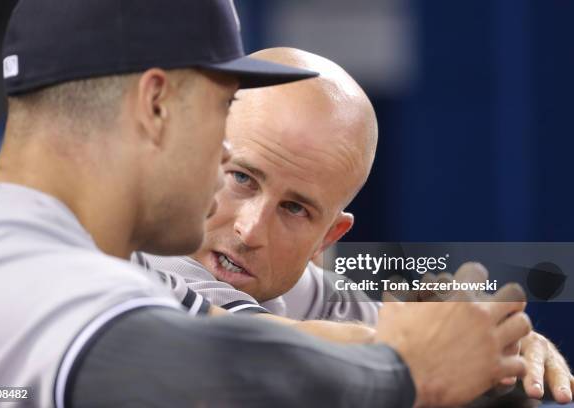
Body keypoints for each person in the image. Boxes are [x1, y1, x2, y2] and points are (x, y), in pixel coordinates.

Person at [0, 1, 534, 407]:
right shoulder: (13, 257)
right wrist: (409, 372)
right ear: (156, 105)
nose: (224, 147)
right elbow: (211, 369)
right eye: (220, 110)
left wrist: (486, 340)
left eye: (295, 209)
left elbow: (226, 333)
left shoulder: (59, 240)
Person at [138, 47, 574, 404]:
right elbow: (266, 342)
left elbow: (395, 334)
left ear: (327, 239)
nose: (250, 231)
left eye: (295, 210)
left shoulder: (305, 293)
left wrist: (509, 348)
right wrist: (443, 350)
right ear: (197, 155)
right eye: (242, 178)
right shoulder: (133, 258)